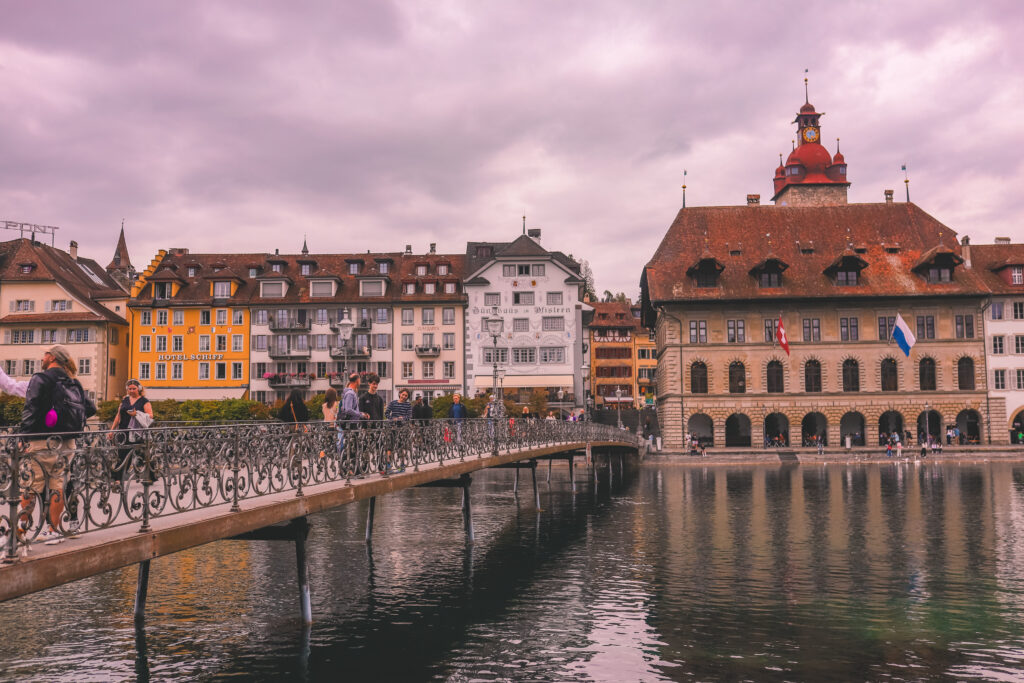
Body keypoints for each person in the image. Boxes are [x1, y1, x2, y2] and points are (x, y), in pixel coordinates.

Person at [17, 346, 95, 548]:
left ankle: (21, 531)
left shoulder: (41, 379)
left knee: (30, 485)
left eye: (44, 354)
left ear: (51, 357)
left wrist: (23, 436)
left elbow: (31, 408)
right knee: (58, 485)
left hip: (41, 440)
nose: (42, 358)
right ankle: (52, 531)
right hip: (68, 441)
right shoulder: (73, 382)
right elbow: (91, 408)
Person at [107, 379, 155, 486]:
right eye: (130, 389)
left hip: (138, 432)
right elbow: (118, 416)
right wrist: (112, 430)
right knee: (122, 455)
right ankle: (117, 479)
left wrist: (136, 414)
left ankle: (151, 476)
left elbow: (151, 416)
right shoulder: (125, 400)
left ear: (139, 389)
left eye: (134, 388)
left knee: (143, 455)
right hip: (123, 431)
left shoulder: (144, 401)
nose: (132, 390)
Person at [336, 373, 369, 473]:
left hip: (351, 423)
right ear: (357, 381)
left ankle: (350, 469)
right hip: (351, 424)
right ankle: (347, 469)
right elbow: (348, 409)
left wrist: (360, 413)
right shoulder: (350, 393)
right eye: (360, 380)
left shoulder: (349, 392)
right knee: (352, 447)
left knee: (352, 447)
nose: (360, 382)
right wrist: (361, 415)